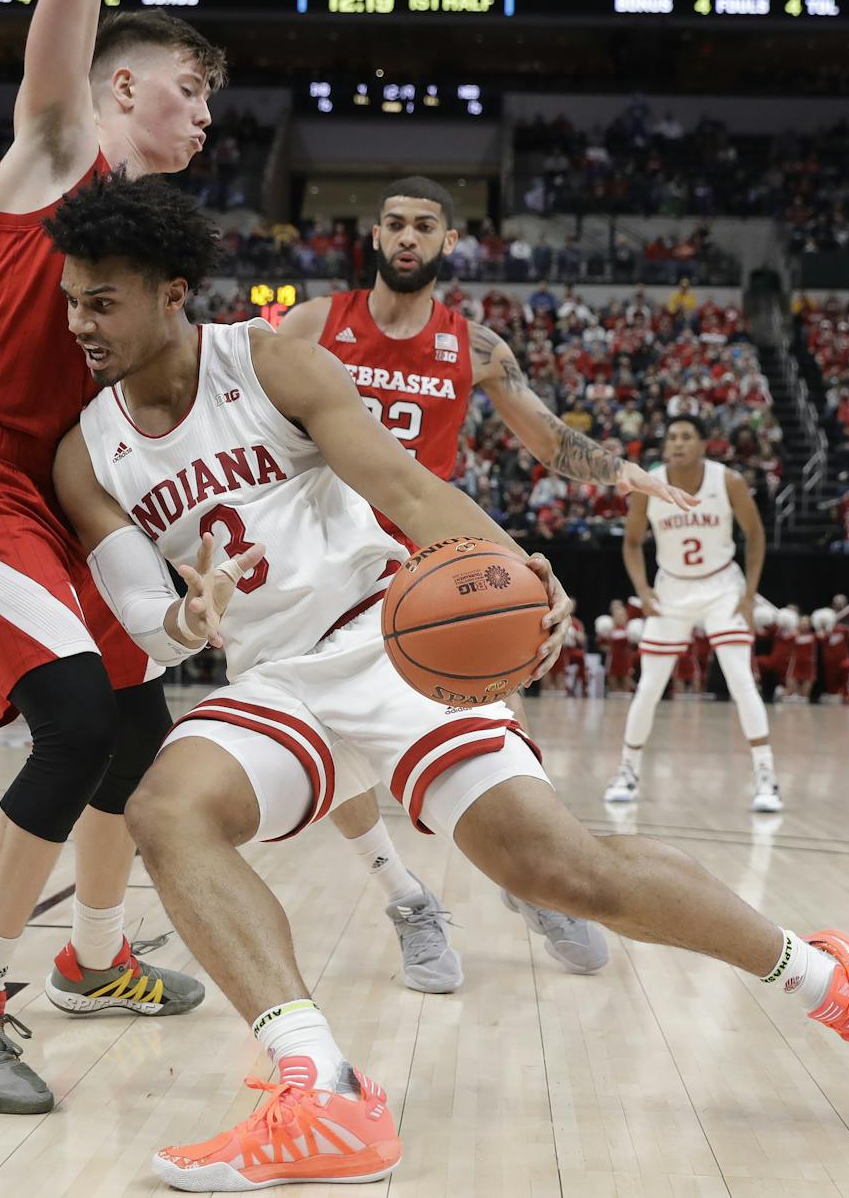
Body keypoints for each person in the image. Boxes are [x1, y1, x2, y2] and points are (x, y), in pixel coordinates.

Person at [48, 171, 849, 1189]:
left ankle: (837, 987)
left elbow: (403, 485)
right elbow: (141, 610)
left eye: (103, 301)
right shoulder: (86, 452)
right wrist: (183, 618)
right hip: (273, 677)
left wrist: (518, 576)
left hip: (386, 639)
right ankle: (323, 1090)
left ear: (172, 292)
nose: (81, 323)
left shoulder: (271, 363)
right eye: (72, 300)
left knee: (566, 877)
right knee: (167, 811)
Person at [0, 0, 225, 1116]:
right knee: (79, 720)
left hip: (70, 497)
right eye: (189, 92)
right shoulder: (51, 162)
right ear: (122, 85)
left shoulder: (142, 251)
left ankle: (92, 960)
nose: (204, 118)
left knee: (139, 726)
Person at [271, 177, 696, 987]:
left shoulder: (476, 345)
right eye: (393, 222)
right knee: (332, 740)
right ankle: (406, 900)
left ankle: (528, 878)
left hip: (430, 560)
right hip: (323, 558)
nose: (406, 237)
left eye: (423, 226)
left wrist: (626, 472)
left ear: (447, 242)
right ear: (374, 234)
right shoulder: (313, 325)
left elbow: (545, 437)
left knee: (503, 710)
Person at [606, 415, 782, 811]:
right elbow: (632, 543)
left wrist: (750, 593)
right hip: (672, 587)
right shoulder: (647, 485)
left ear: (704, 444)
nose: (678, 443)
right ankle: (627, 770)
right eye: (672, 437)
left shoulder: (728, 481)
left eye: (687, 436)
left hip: (722, 586)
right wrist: (642, 589)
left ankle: (766, 775)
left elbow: (755, 535)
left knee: (740, 679)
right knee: (650, 685)